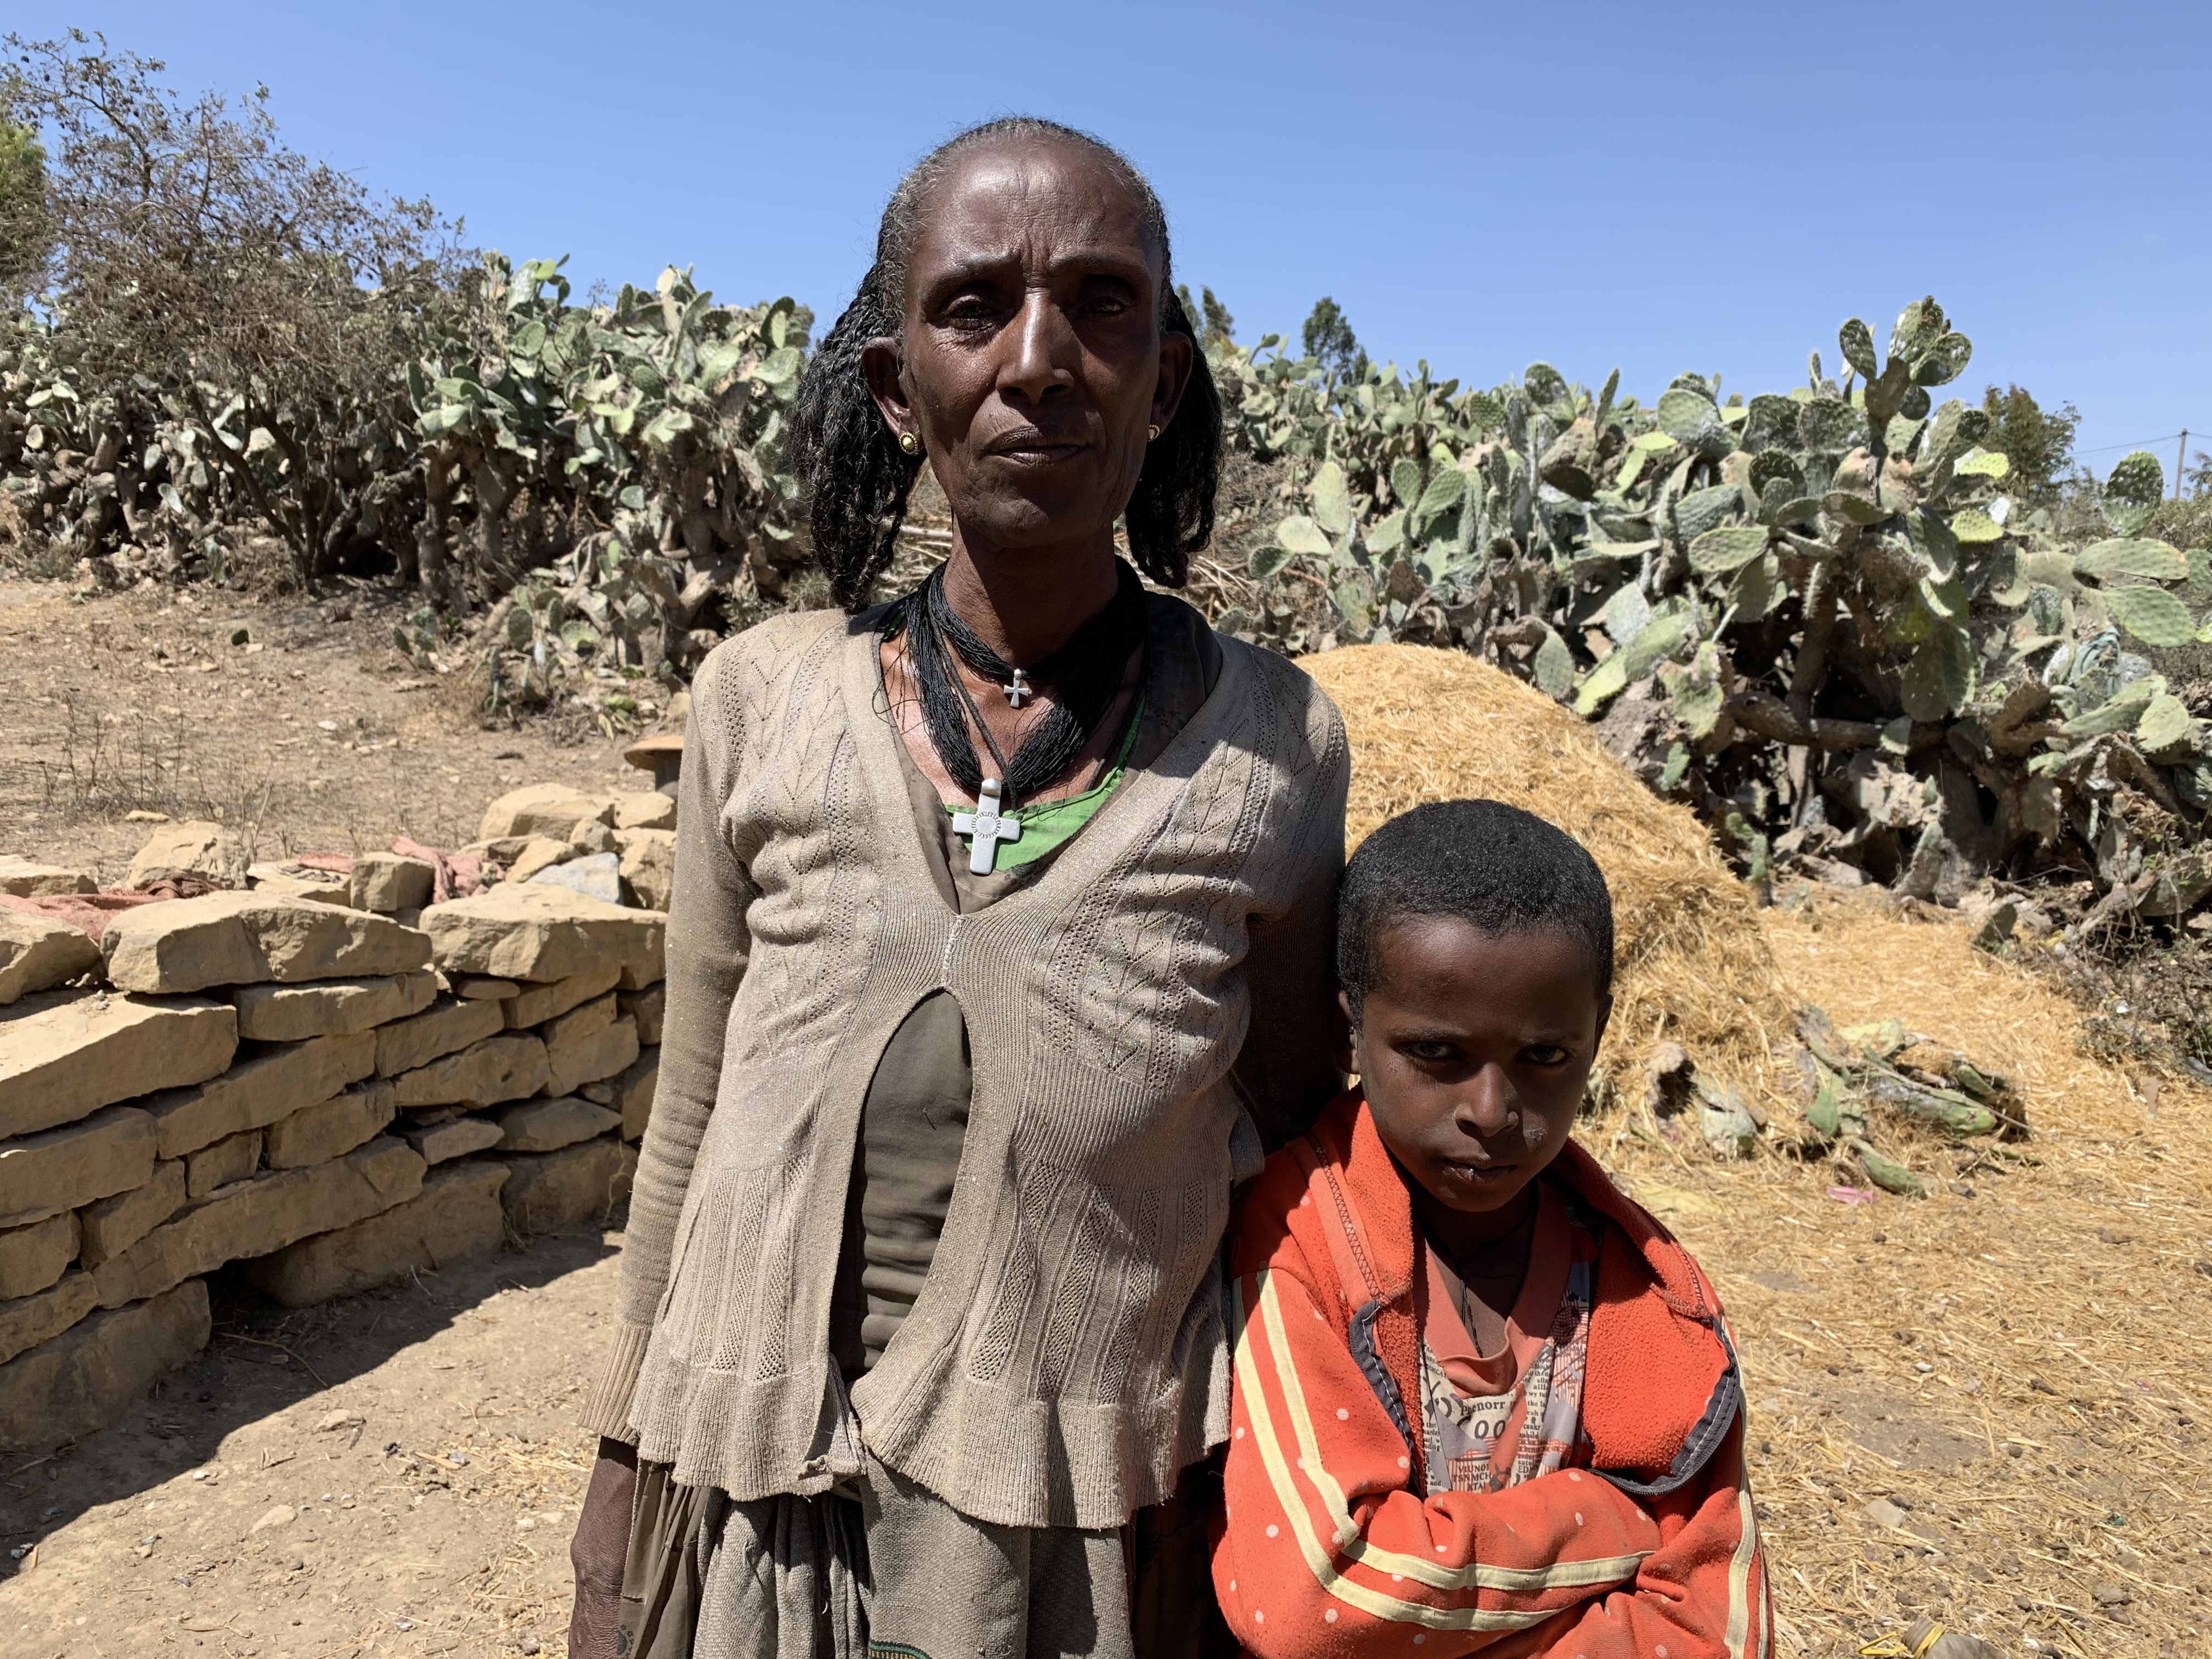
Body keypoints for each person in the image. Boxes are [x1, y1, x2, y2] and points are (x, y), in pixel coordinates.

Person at [565, 116, 1350, 1659]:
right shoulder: (761, 700)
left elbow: (1285, 1147)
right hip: (747, 1498)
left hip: (1073, 1545)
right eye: (976, 305)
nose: (1043, 358)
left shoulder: (1276, 743)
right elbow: (695, 1113)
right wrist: (616, 1476)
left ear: (1165, 377)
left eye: (1105, 303)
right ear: (894, 382)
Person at [1214, 800, 1771, 1657]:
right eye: (1437, 1054)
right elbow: (1311, 1597)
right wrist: (1617, 1524)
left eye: (1543, 1058)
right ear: (1349, 1032)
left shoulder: (1651, 1301)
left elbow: (1715, 1629)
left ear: (1596, 1037)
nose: (1492, 1112)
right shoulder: (1303, 1238)